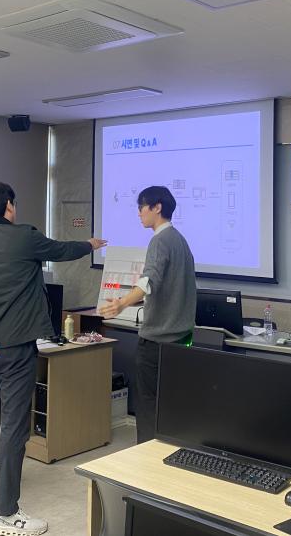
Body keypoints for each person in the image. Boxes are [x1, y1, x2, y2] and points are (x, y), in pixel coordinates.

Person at [0, 181, 106, 536]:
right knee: (14, 428)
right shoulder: (23, 237)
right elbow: (61, 249)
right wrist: (90, 245)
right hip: (17, 349)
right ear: (8, 205)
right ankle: (6, 513)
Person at [99, 185, 197, 445]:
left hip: (156, 342)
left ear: (157, 207)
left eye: (142, 206)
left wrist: (121, 303)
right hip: (181, 340)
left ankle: (144, 458)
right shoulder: (180, 241)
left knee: (148, 407)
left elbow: (148, 281)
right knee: (172, 407)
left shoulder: (160, 240)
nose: (139, 212)